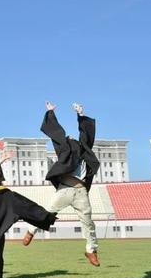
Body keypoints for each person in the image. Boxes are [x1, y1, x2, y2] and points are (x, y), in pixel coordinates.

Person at [23, 101, 101, 267]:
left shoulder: (84, 151)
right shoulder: (65, 152)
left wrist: (80, 115)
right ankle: (31, 231)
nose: (71, 137)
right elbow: (57, 133)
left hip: (81, 192)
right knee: (47, 213)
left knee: (88, 223)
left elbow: (86, 135)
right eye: (69, 139)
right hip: (65, 189)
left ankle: (91, 250)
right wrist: (51, 113)